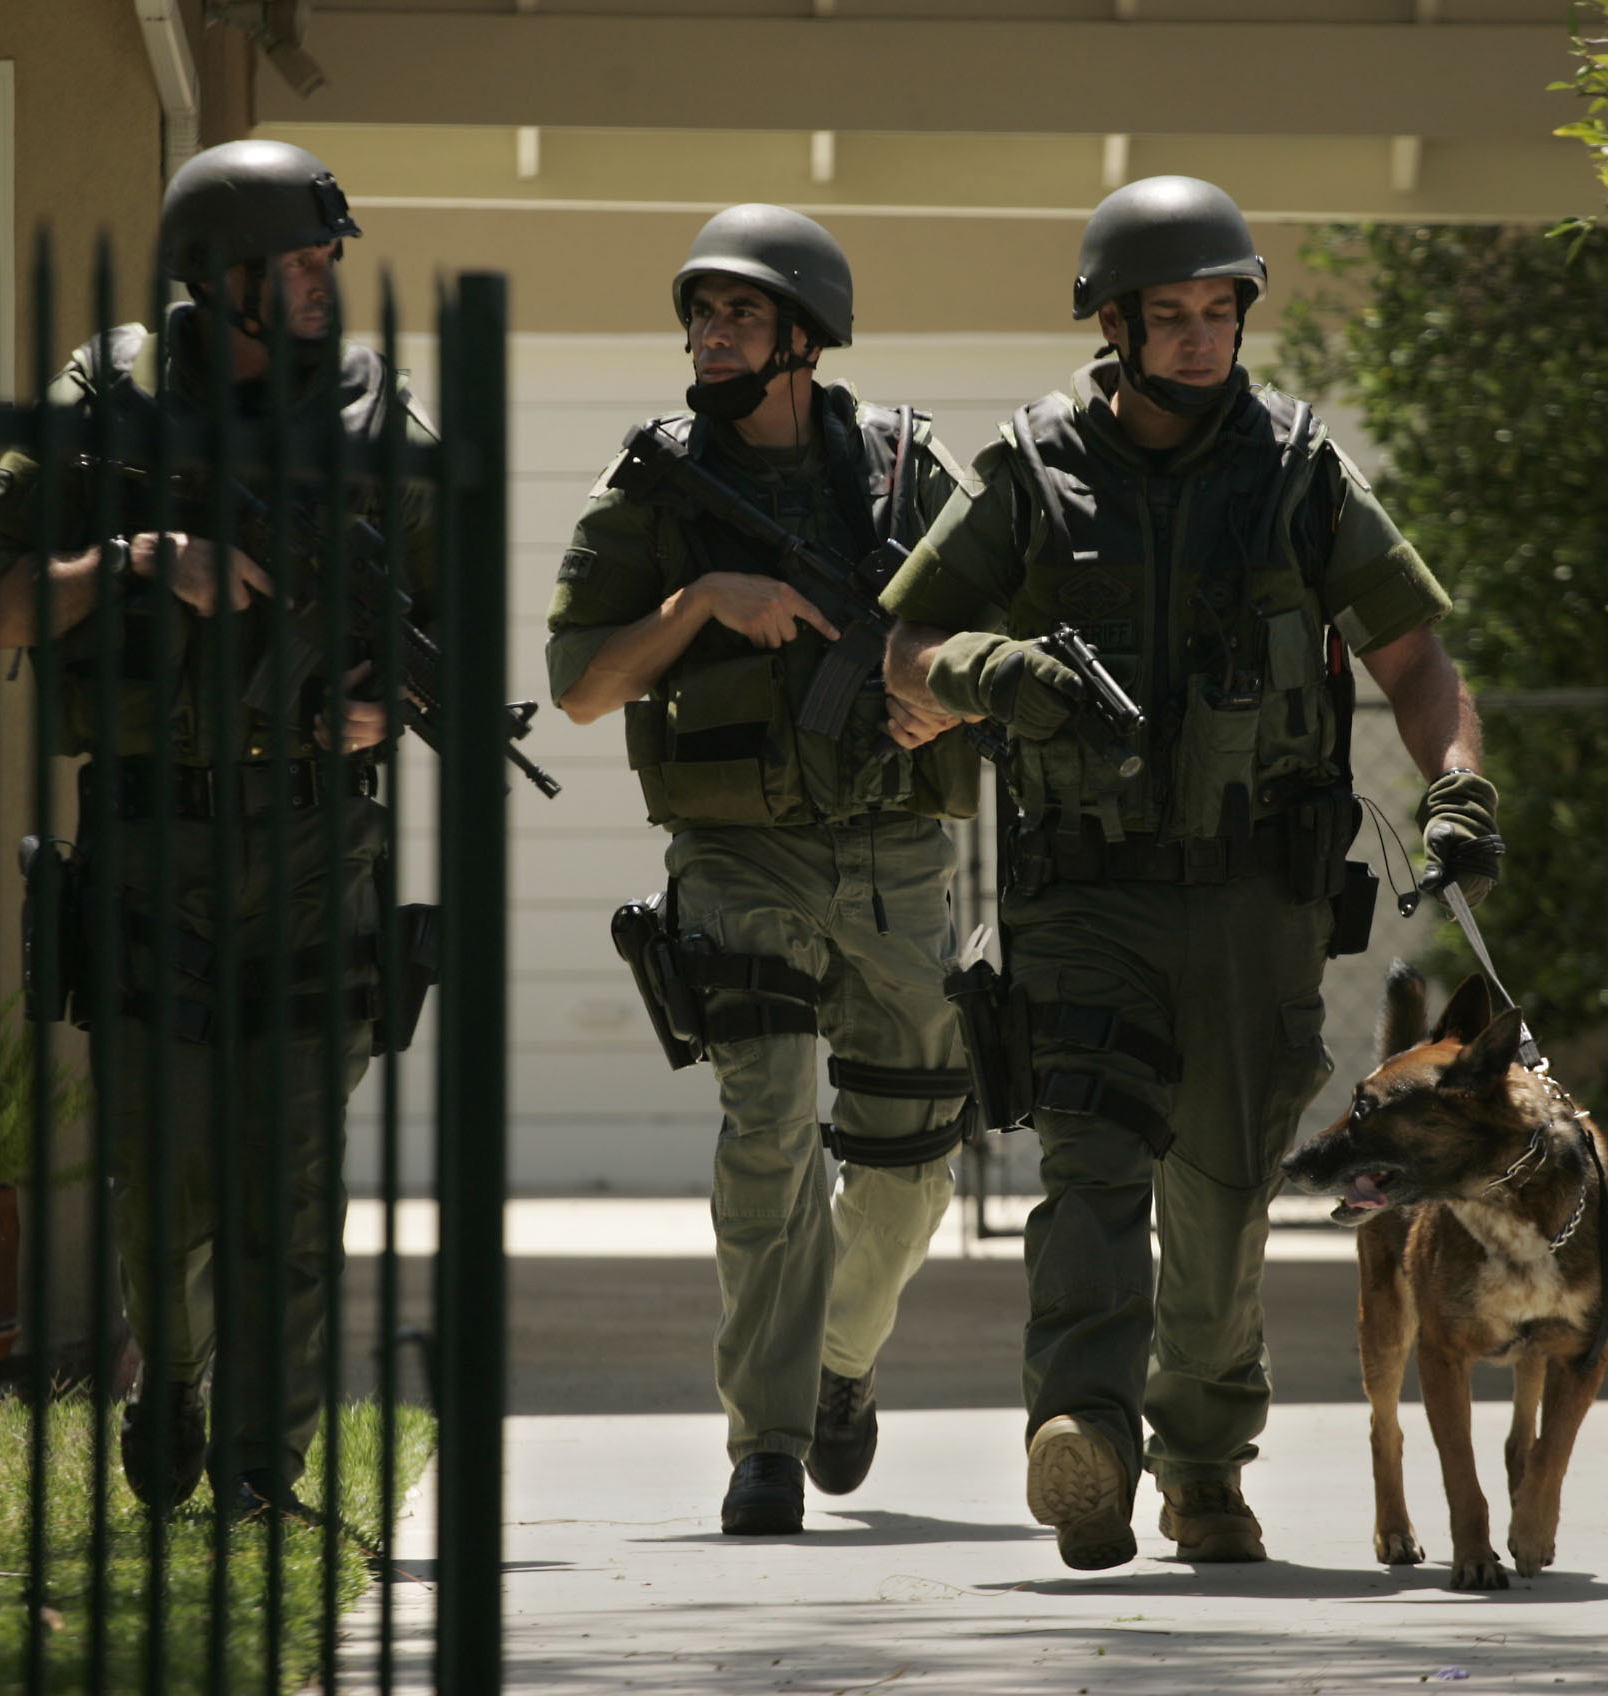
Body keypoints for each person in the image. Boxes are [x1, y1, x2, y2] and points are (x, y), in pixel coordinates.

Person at [879, 175, 1503, 1571]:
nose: (1203, 338)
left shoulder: (1299, 473)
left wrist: (1459, 784)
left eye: (1222, 312)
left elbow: (1414, 659)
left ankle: (1205, 1461)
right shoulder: (1031, 471)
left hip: (1253, 902)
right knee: (1091, 1163)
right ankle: (1085, 1433)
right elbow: (906, 649)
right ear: (1114, 325)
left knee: (1221, 1198)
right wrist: (998, 671)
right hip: (1082, 894)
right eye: (1173, 316)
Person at [0, 137, 438, 1519]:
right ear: (216, 278)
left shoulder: (376, 421)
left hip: (313, 846)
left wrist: (387, 708)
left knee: (292, 1189)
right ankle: (168, 1375)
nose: (322, 283)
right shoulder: (103, 402)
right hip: (149, 844)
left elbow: (445, 623)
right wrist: (140, 559)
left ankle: (259, 1474)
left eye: (328, 260)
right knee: (161, 1182)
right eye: (295, 263)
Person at [545, 205, 982, 1535]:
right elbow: (578, 688)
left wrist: (945, 691)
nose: (711, 333)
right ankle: (768, 1441)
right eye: (700, 312)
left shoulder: (906, 473)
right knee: (769, 1134)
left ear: (806, 335)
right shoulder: (655, 490)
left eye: (740, 312)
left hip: (899, 857)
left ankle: (840, 1360)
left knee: (913, 1164)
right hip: (740, 859)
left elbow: (1005, 628)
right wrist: (699, 605)